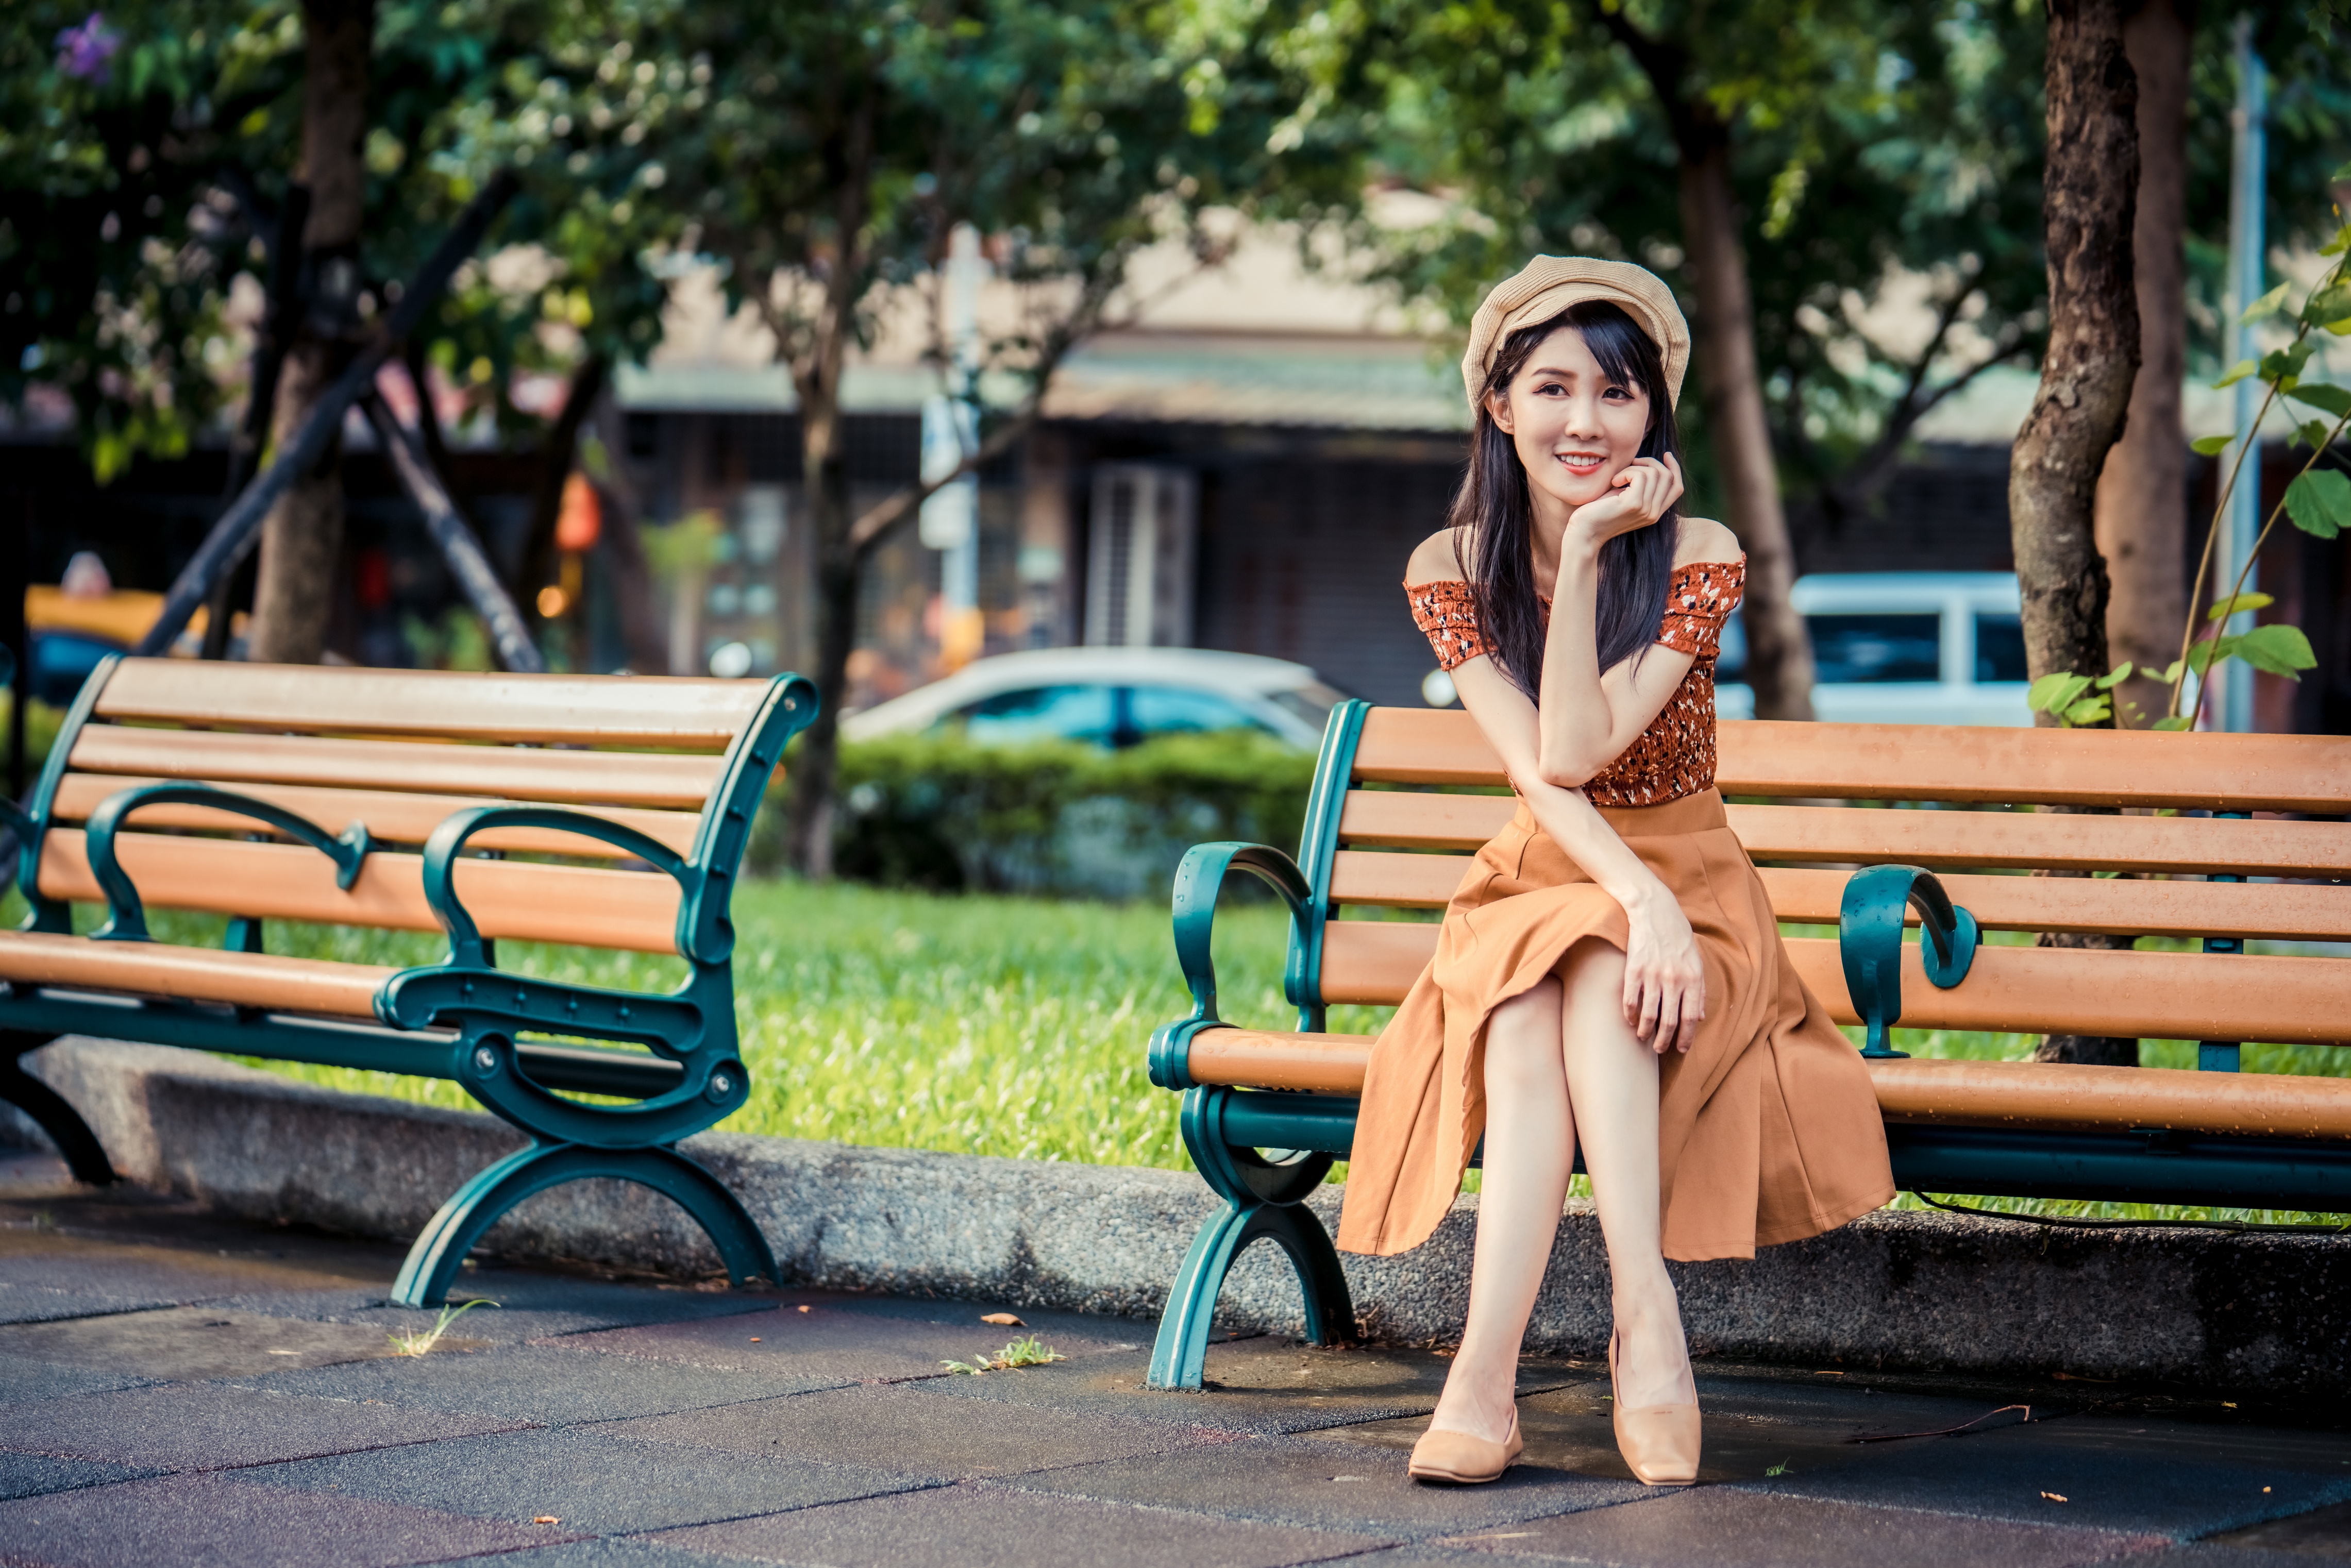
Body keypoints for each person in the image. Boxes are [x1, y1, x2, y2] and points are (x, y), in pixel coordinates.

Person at [1334, 257, 1894, 1488]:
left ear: (1653, 415)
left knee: (1566, 988)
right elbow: (1549, 773)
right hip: (1545, 876)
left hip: (1694, 887)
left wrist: (1592, 552)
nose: (1585, 422)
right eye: (1552, 389)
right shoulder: (1450, 564)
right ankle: (1634, 1338)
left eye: (1617, 394)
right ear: (1498, 404)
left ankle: (1497, 1375)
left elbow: (1586, 741)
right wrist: (1627, 897)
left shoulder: (1697, 551)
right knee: (1561, 966)